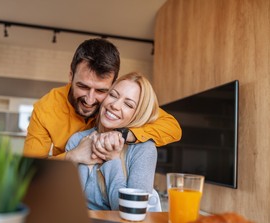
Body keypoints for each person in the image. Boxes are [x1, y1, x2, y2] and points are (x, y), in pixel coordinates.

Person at [23, 38, 181, 163]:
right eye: (83, 87)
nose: (90, 100)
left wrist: (124, 135)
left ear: (113, 85)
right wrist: (72, 157)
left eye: (101, 91)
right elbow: (30, 171)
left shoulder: (115, 104)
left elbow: (172, 127)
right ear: (71, 76)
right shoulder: (45, 109)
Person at [65, 72, 159, 210]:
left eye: (128, 104)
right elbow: (65, 203)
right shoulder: (78, 140)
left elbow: (132, 211)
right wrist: (74, 156)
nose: (115, 105)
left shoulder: (144, 150)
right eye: (113, 95)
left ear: (138, 114)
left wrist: (112, 160)